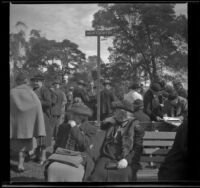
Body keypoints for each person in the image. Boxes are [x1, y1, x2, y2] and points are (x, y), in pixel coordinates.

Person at [89, 101, 145, 182]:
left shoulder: (136, 128)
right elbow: (102, 128)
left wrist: (126, 160)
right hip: (107, 156)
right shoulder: (112, 123)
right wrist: (106, 121)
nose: (115, 113)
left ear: (125, 114)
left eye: (117, 112)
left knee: (125, 175)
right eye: (115, 111)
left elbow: (137, 148)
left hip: (125, 158)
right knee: (98, 174)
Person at [46, 103, 97, 182]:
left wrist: (74, 128)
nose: (70, 116)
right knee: (51, 167)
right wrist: (54, 156)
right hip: (63, 154)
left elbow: (83, 145)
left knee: (75, 171)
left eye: (73, 114)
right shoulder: (63, 127)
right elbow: (57, 145)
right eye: (70, 114)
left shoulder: (91, 129)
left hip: (81, 157)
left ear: (82, 116)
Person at [10, 72, 46, 172]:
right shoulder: (30, 93)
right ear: (25, 82)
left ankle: (20, 164)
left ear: (17, 82)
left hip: (14, 126)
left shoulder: (11, 92)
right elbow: (37, 105)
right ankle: (20, 165)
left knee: (15, 145)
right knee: (23, 147)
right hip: (27, 127)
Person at [30, 75, 58, 164]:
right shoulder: (34, 90)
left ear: (42, 82)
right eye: (34, 81)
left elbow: (49, 103)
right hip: (35, 116)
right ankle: (37, 155)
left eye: (37, 81)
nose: (35, 82)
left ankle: (43, 157)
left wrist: (37, 101)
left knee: (43, 138)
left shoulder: (45, 90)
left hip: (43, 116)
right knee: (37, 137)